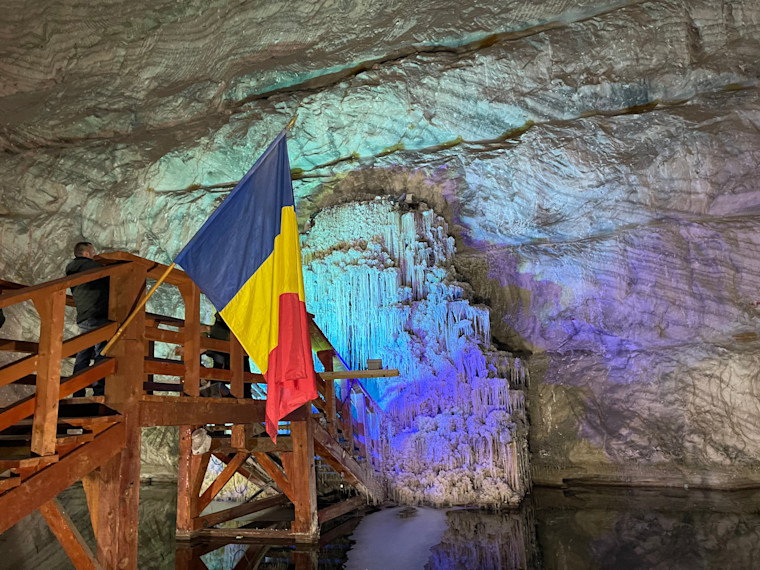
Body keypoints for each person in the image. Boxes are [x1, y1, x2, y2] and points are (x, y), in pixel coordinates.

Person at [66, 241, 110, 396]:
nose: (94, 254)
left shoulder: (72, 268)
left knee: (83, 353)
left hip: (84, 316)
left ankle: (77, 390)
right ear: (86, 253)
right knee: (101, 352)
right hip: (98, 315)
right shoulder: (92, 268)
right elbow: (111, 278)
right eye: (92, 252)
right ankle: (99, 390)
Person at [204, 312, 252, 398]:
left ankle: (244, 396)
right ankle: (245, 395)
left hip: (226, 340)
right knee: (241, 369)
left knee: (220, 367)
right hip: (228, 340)